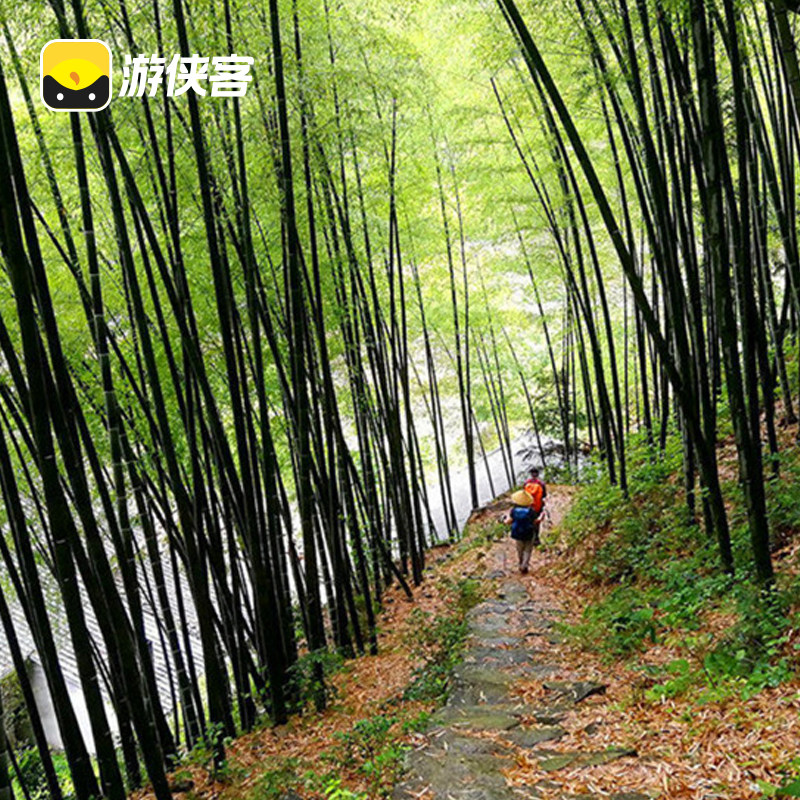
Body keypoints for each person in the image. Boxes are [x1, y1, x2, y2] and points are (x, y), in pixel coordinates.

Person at [502, 490, 541, 574]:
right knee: (528, 550)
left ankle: (520, 563)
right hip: (529, 532)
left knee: (520, 549)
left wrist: (504, 521)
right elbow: (535, 522)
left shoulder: (514, 511)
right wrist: (541, 518)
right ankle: (524, 565)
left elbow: (510, 521)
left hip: (517, 533)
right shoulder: (531, 511)